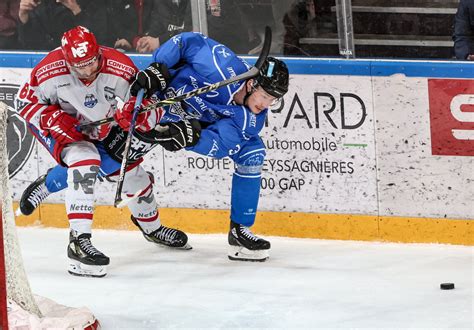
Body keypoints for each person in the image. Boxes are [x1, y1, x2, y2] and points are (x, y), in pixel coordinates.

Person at [19, 31, 289, 262]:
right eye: (266, 96)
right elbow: (186, 42)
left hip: (184, 126)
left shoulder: (250, 119)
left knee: (253, 152)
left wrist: (191, 138)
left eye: (273, 101)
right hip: (157, 104)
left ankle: (240, 230)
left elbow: (220, 144)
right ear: (252, 83)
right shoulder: (220, 65)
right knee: (109, 161)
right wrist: (159, 66)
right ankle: (48, 184)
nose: (266, 105)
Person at [15, 26, 190, 278]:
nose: (87, 71)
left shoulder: (119, 66)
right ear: (67, 61)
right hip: (63, 130)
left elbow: (151, 106)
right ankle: (78, 242)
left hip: (103, 128)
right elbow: (24, 103)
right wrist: (51, 117)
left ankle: (152, 229)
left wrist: (137, 114)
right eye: (80, 66)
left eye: (92, 62)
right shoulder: (49, 70)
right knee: (86, 160)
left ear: (98, 52)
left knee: (135, 179)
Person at [17, 0, 108, 50]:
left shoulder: (94, 4)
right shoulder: (40, 5)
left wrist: (76, 10)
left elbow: (99, 42)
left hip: (84, 65)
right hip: (48, 63)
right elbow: (28, 45)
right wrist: (23, 16)